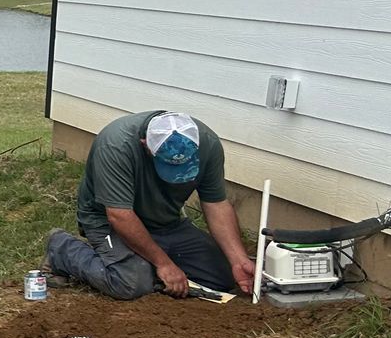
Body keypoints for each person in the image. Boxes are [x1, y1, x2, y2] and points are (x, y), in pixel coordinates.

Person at [46, 110, 257, 299]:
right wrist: (164, 265)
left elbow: (217, 204)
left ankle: (145, 261)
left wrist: (238, 261)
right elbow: (119, 215)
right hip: (107, 222)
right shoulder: (116, 145)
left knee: (224, 274)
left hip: (165, 222)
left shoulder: (208, 144)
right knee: (131, 283)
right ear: (145, 145)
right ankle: (62, 249)